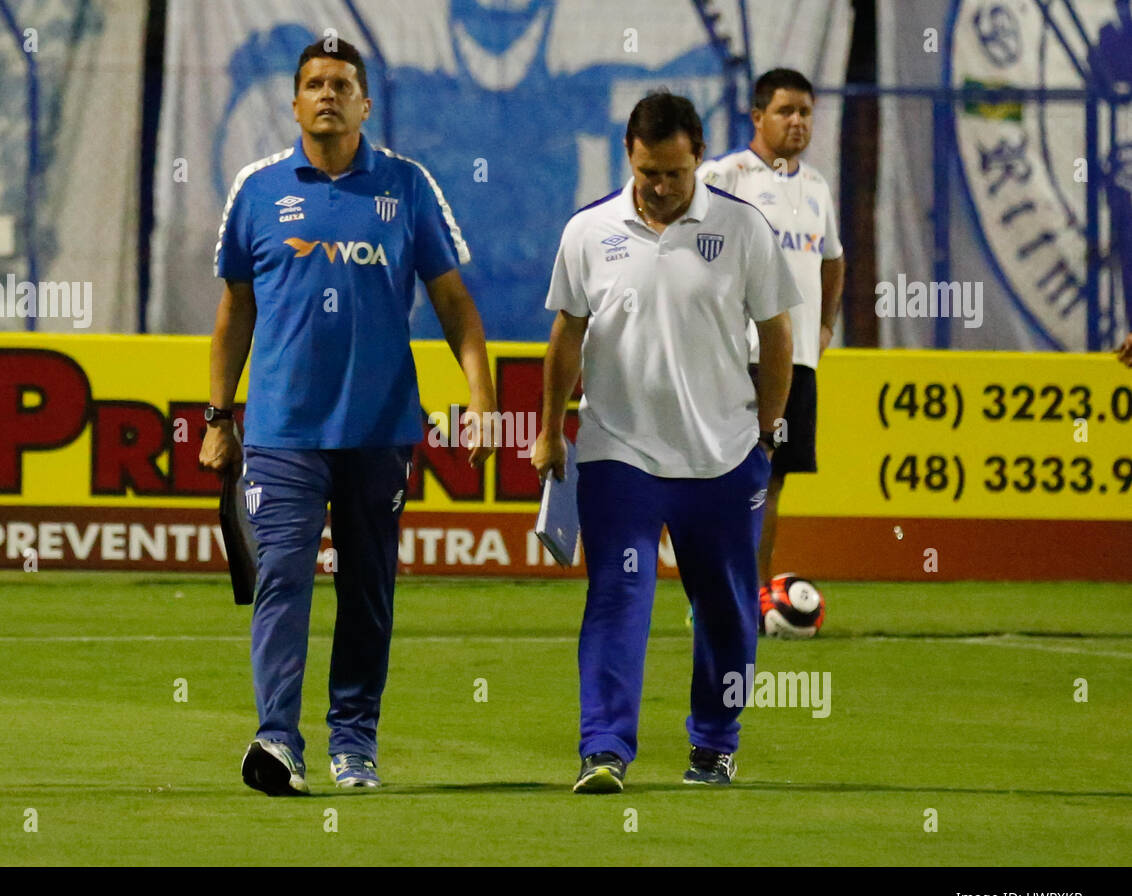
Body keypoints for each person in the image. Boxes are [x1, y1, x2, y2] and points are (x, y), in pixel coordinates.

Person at [200, 38, 497, 795]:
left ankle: (354, 742)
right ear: (294, 104)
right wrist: (216, 415)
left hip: (380, 428)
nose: (327, 94)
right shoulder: (259, 190)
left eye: (342, 84)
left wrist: (481, 398)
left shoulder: (407, 185)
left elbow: (454, 303)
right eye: (313, 84)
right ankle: (277, 740)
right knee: (283, 581)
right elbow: (235, 309)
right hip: (281, 431)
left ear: (366, 103)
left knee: (367, 589)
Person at [531, 90, 799, 792]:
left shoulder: (744, 230)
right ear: (630, 156)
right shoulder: (588, 232)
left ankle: (714, 743)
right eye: (649, 171)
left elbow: (777, 335)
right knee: (620, 596)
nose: (660, 186)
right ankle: (604, 749)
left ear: (700, 157)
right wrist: (549, 430)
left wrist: (768, 431)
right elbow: (566, 335)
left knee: (727, 610)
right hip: (620, 452)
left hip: (723, 456)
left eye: (674, 173)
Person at [698, 69, 845, 618]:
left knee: (770, 480)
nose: (798, 122)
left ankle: (752, 596)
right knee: (721, 479)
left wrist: (824, 326)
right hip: (739, 355)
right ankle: (713, 593)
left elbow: (833, 258)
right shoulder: (726, 175)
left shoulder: (817, 188)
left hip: (797, 359)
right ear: (757, 116)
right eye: (786, 111)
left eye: (806, 112)